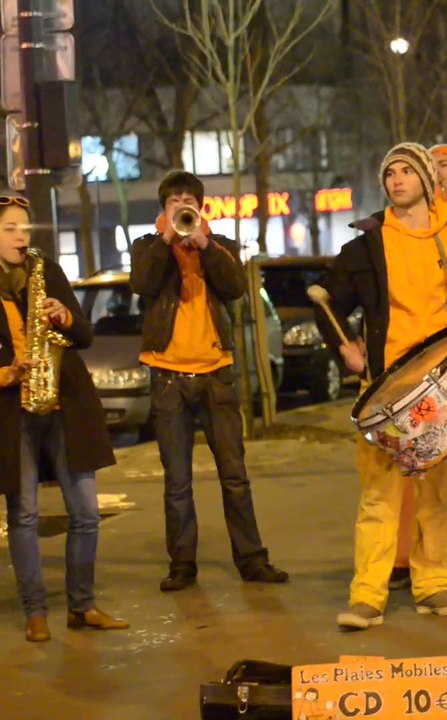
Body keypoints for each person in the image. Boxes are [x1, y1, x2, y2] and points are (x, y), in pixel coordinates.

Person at [320, 142, 447, 630]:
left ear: (427, 179)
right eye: (390, 173)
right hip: (385, 386)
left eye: (407, 171)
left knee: (437, 492)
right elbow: (329, 301)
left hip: (442, 385)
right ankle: (367, 595)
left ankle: (433, 585)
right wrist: (343, 347)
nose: (397, 180)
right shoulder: (368, 244)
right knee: (378, 495)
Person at [129, 170, 288, 592]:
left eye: (189, 202)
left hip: (216, 374)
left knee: (234, 475)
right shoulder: (147, 246)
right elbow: (141, 283)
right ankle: (182, 565)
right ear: (163, 210)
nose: (182, 208)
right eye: (173, 203)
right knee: (177, 480)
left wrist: (203, 244)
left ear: (200, 207)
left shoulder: (222, 247)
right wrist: (168, 242)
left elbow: (235, 288)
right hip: (168, 377)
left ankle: (252, 560)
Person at [0, 193, 128, 642]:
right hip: (13, 413)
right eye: (10, 228)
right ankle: (36, 611)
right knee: (25, 516)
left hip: (64, 405)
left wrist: (66, 317)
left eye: (24, 228)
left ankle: (83, 605)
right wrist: (8, 372)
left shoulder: (46, 271)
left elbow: (86, 335)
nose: (21, 236)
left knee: (87, 512)